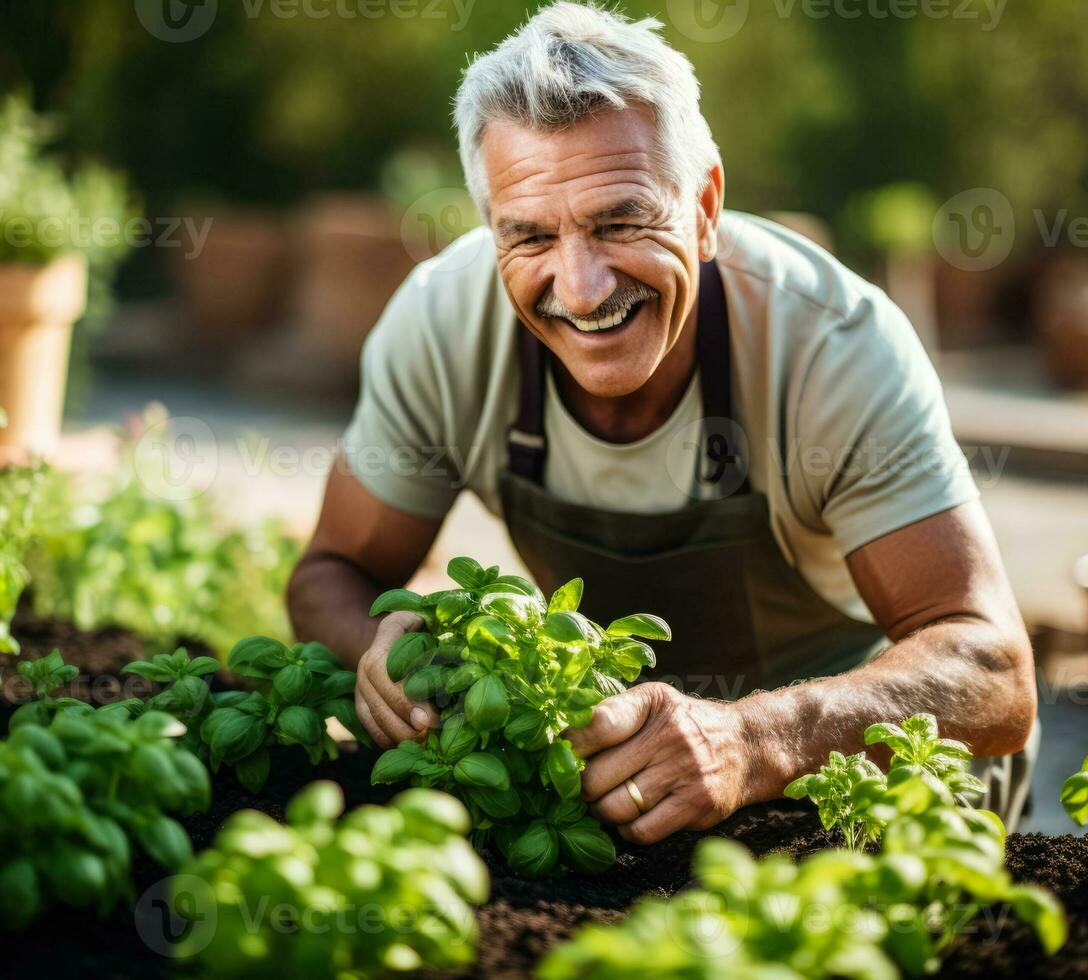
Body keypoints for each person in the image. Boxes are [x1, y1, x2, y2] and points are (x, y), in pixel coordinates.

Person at [288, 2, 1037, 844]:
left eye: (620, 221)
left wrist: (757, 739)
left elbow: (992, 670)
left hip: (846, 767)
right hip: (613, 776)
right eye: (529, 235)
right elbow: (330, 572)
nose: (580, 288)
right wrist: (383, 652)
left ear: (706, 205)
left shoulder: (832, 345)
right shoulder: (441, 327)